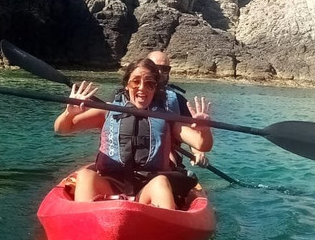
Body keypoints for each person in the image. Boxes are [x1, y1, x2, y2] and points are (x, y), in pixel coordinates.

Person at [54, 57, 213, 210]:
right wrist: (69, 113)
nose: (142, 88)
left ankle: (163, 230)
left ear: (155, 88)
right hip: (111, 184)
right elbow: (62, 128)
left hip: (148, 188)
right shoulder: (107, 111)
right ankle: (86, 225)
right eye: (136, 81)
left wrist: (204, 130)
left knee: (161, 184)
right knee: (85, 176)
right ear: (127, 85)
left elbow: (202, 145)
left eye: (149, 83)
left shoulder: (166, 118)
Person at [146, 50, 208, 167]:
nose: (160, 72)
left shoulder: (178, 100)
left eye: (165, 69)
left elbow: (191, 130)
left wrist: (198, 152)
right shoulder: (129, 94)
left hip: (168, 158)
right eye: (155, 67)